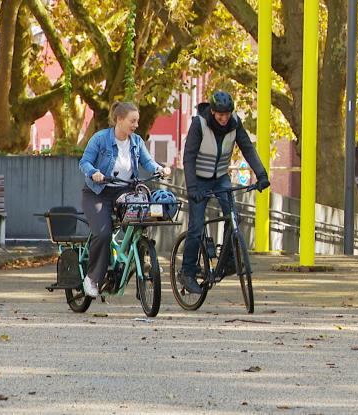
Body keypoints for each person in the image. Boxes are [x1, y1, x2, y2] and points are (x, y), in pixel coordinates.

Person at [180, 91, 270, 294]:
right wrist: (192, 188)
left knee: (233, 216)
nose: (223, 118)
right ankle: (187, 272)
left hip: (220, 177)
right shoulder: (199, 124)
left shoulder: (235, 123)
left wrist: (261, 175)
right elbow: (189, 156)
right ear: (212, 112)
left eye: (227, 114)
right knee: (196, 226)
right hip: (200, 179)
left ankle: (229, 260)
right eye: (220, 115)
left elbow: (248, 148)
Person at [79, 102, 171, 298]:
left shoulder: (136, 141)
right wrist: (94, 172)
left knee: (143, 218)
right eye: (133, 120)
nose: (136, 125)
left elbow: (147, 162)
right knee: (103, 234)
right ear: (119, 120)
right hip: (98, 192)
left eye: (137, 121)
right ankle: (92, 278)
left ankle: (142, 260)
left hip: (125, 192)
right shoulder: (101, 139)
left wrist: (159, 169)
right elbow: (84, 161)